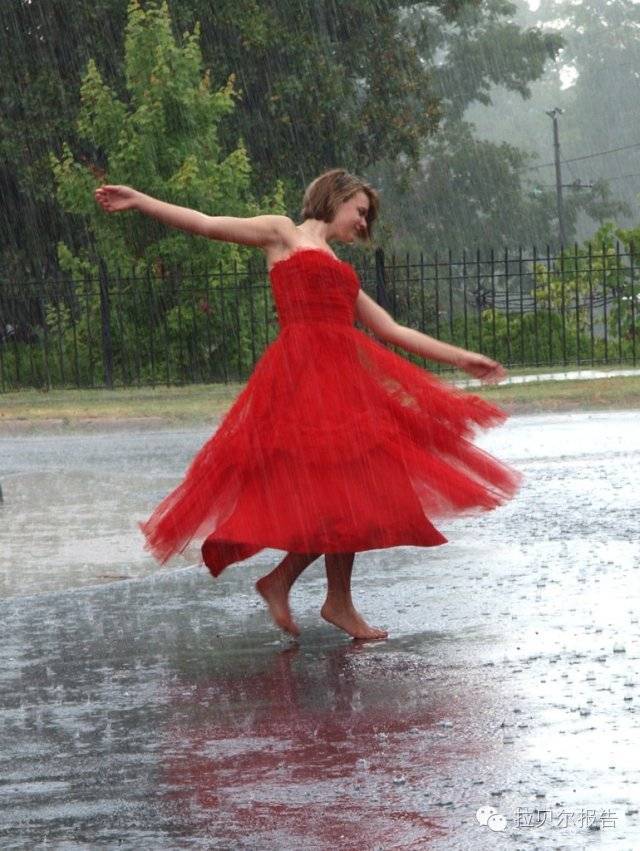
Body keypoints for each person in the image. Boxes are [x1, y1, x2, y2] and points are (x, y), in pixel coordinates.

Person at [95, 169, 520, 641]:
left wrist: (462, 358)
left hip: (344, 385)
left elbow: (391, 330)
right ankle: (303, 589)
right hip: (300, 383)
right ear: (335, 198)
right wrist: (141, 200)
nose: (364, 224)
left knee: (351, 491)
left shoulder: (340, 268)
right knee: (332, 492)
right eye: (360, 212)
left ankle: (320, 594)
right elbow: (206, 222)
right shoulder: (282, 233)